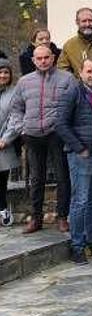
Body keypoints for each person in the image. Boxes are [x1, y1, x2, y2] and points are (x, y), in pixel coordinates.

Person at [7, 44, 76, 234]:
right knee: (36, 178)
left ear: (53, 57)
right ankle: (35, 218)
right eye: (39, 58)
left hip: (57, 134)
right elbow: (16, 108)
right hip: (32, 135)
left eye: (46, 57)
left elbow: (75, 106)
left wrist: (66, 129)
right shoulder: (24, 82)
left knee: (63, 177)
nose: (43, 61)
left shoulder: (67, 78)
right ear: (33, 60)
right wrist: (22, 129)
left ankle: (62, 216)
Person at [55, 59, 92, 264]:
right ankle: (77, 245)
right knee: (80, 200)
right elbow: (60, 124)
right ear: (81, 72)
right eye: (89, 71)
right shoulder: (73, 93)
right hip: (81, 156)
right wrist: (79, 148)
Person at [0, 59, 21, 227]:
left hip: (3, 144)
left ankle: (2, 209)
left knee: (1, 181)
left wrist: (5, 139)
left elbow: (15, 119)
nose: (3, 75)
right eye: (0, 72)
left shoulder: (14, 93)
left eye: (6, 72)